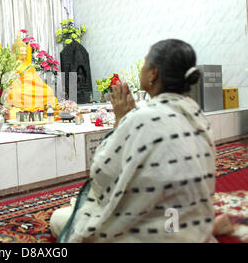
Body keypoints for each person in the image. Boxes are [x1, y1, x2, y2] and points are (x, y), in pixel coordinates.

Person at [51, 39, 228, 242]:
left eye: (145, 63)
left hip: (156, 233)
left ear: (153, 74)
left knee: (62, 218)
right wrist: (130, 120)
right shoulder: (196, 114)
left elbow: (102, 173)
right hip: (184, 219)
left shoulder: (141, 118)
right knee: (82, 205)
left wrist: (121, 120)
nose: (142, 68)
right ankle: (201, 227)